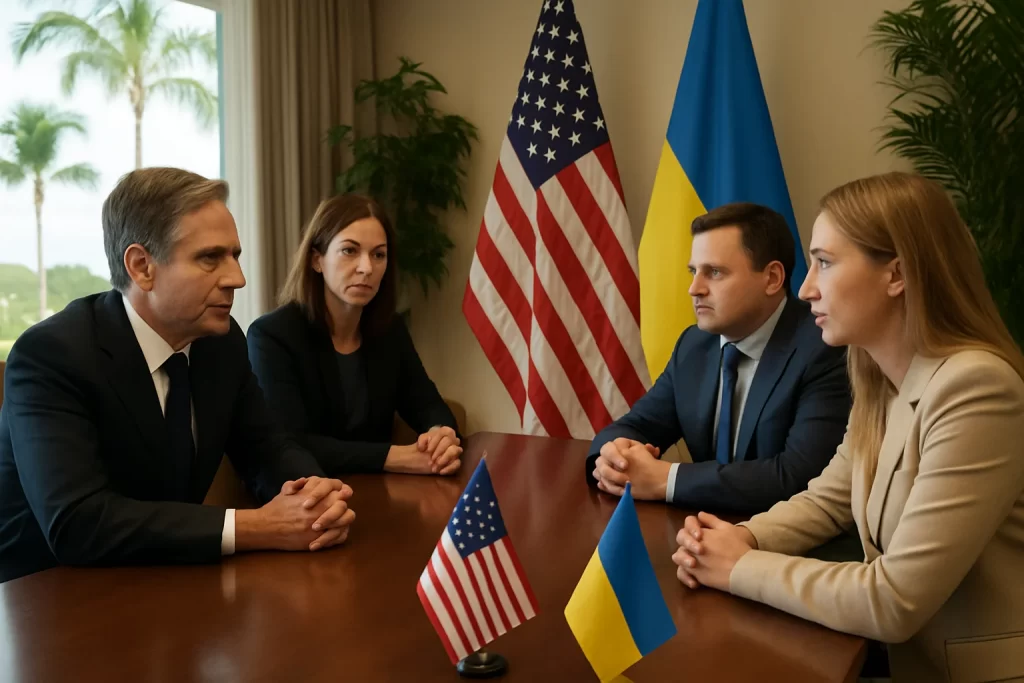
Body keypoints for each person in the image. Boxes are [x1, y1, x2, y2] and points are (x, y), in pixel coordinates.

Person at [672, 173, 1024, 682]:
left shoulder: (977, 389)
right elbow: (829, 500)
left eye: (825, 262)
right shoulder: (878, 374)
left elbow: (893, 600)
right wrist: (740, 537)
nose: (805, 288)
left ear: (896, 274)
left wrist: (737, 567)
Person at [0, 168, 355, 584]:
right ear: (142, 267)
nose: (237, 279)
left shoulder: (221, 343)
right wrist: (259, 526)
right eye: (210, 258)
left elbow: (267, 447)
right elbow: (77, 522)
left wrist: (315, 495)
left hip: (169, 576)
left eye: (235, 256)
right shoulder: (52, 355)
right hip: (45, 592)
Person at [589, 202, 851, 513]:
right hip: (699, 530)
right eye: (693, 271)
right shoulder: (694, 345)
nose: (694, 289)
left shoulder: (825, 347)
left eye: (714, 272)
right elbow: (637, 425)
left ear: (772, 278)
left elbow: (799, 477)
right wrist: (613, 457)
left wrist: (667, 479)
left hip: (785, 536)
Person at [247, 194, 462, 477]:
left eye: (378, 255)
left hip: (381, 490)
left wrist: (440, 435)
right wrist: (393, 456)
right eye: (350, 251)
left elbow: (428, 404)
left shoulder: (390, 330)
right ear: (317, 260)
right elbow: (291, 444)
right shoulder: (272, 336)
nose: (366, 268)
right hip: (308, 492)